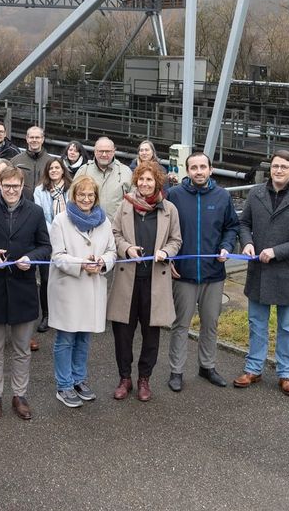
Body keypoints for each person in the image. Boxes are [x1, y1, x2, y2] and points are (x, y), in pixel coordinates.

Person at [234, 150, 289, 397]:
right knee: (256, 323)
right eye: (275, 166)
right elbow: (244, 224)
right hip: (259, 271)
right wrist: (247, 242)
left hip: (288, 271)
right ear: (270, 169)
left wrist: (276, 251)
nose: (279, 170)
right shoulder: (256, 193)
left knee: (286, 326)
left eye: (284, 167)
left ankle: (286, 373)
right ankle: (253, 368)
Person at [0, 167, 51, 422]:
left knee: (22, 348)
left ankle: (19, 395)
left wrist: (31, 258)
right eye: (7, 187)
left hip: (23, 287)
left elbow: (45, 246)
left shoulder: (35, 212)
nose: (12, 191)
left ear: (22, 185)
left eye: (16, 186)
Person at [165, 152, 240, 392]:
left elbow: (231, 227)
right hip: (184, 274)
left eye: (203, 167)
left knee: (210, 323)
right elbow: (165, 231)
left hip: (213, 273)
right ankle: (176, 370)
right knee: (181, 324)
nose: (199, 171)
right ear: (187, 171)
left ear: (211, 169)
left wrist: (227, 247)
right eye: (194, 167)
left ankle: (207, 366)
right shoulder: (174, 196)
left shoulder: (222, 197)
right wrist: (168, 260)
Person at [109, 163, 182, 402]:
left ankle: (144, 379)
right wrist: (126, 248)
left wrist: (167, 252)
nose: (144, 184)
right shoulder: (125, 206)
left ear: (157, 183)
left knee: (151, 334)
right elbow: (114, 234)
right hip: (127, 281)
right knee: (122, 333)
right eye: (141, 180)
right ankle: (124, 378)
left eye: (149, 180)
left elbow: (176, 240)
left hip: (154, 282)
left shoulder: (169, 209)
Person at [47, 176, 116, 408]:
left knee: (84, 338)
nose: (86, 199)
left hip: (92, 287)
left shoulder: (105, 222)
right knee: (66, 338)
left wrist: (103, 262)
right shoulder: (60, 221)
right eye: (81, 195)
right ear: (73, 196)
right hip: (68, 288)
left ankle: (79, 379)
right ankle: (63, 385)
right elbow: (57, 256)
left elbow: (111, 251)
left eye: (90, 195)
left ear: (96, 197)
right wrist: (81, 263)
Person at [32, 158, 70, 335]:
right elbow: (40, 215)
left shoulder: (72, 188)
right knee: (47, 279)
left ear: (63, 170)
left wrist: (66, 234)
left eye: (57, 167)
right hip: (47, 239)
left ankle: (64, 313)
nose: (54, 170)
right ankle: (46, 315)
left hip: (70, 239)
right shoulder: (40, 190)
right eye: (51, 168)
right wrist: (55, 233)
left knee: (68, 278)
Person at [75, 137, 132, 218]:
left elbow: (134, 203)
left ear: (113, 152)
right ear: (95, 151)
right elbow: (72, 198)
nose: (104, 154)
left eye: (108, 151)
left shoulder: (126, 172)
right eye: (101, 151)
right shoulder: (83, 171)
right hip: (88, 226)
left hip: (116, 227)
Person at [11, 126, 54, 193]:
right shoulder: (15, 161)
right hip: (23, 200)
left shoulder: (51, 162)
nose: (34, 140)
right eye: (31, 137)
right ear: (27, 139)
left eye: (37, 137)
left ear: (42, 139)